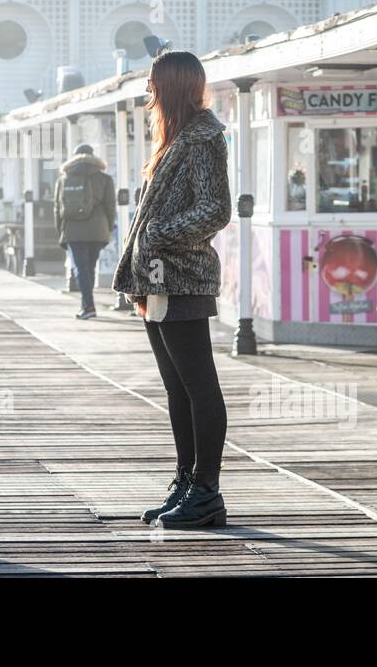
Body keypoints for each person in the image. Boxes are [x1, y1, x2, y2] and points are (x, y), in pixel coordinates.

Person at [112, 50, 232, 528]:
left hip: (183, 277)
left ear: (173, 86)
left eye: (153, 83)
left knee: (199, 386)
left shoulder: (203, 138)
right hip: (158, 279)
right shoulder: (176, 138)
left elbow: (215, 210)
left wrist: (159, 234)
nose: (148, 91)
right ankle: (186, 482)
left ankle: (207, 491)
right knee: (177, 388)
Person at [54, 143, 116, 319]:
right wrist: (107, 229)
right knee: (89, 267)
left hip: (73, 230)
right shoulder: (105, 179)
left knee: (80, 268)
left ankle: (88, 306)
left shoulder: (64, 179)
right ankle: (88, 305)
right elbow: (111, 207)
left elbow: (57, 208)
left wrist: (61, 230)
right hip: (98, 230)